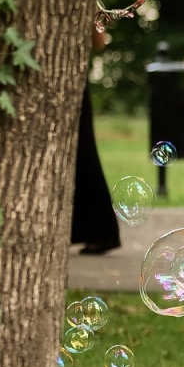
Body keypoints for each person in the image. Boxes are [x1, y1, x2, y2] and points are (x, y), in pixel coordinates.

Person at [71, 27, 119, 255]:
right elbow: (99, 41)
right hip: (72, 74)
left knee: (82, 150)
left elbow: (99, 41)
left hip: (70, 75)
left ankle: (101, 230)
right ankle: (96, 230)